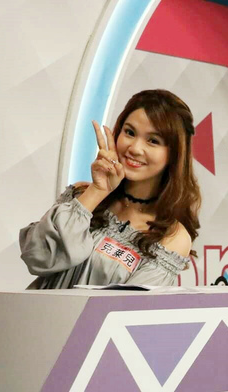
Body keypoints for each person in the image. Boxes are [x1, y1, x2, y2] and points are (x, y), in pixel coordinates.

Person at [19, 89, 200, 288]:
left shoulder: (172, 236)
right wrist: (98, 190)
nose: (135, 148)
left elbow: (128, 305)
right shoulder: (82, 194)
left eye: (153, 141)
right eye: (129, 132)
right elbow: (39, 259)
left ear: (174, 154)